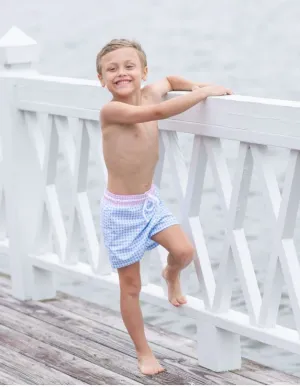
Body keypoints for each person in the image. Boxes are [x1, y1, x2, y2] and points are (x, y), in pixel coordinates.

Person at [97, 39, 232, 375]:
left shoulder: (151, 91)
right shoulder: (112, 110)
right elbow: (155, 113)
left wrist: (193, 84)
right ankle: (144, 352)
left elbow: (169, 82)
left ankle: (171, 273)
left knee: (185, 251)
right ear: (102, 80)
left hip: (149, 203)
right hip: (121, 212)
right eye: (111, 69)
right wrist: (202, 95)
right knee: (131, 287)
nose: (121, 73)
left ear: (143, 72)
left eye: (129, 66)